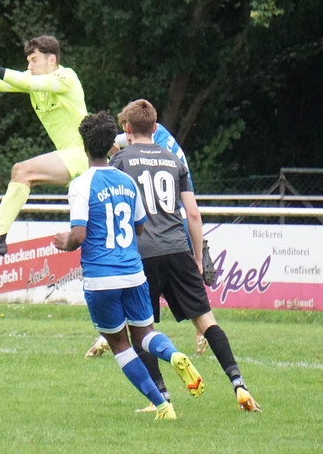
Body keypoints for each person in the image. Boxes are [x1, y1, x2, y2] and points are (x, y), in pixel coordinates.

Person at [110, 99, 260, 413]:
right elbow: (192, 213)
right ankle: (239, 384)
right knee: (206, 320)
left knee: (141, 329)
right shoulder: (173, 159)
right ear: (155, 128)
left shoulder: (120, 161)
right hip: (178, 248)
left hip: (142, 254)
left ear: (127, 129)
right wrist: (197, 257)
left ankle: (161, 398)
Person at [53, 111, 204, 421]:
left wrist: (64, 241)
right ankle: (174, 354)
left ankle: (162, 405)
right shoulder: (127, 181)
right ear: (112, 142)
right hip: (133, 272)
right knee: (145, 334)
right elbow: (139, 227)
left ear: (84, 145)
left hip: (102, 277)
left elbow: (78, 235)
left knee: (120, 345)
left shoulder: (81, 185)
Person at [0, 35, 88, 255]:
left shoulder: (66, 77)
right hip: (72, 159)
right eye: (28, 61)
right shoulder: (33, 80)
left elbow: (26, 82)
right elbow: (4, 84)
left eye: (34, 60)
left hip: (85, 155)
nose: (29, 66)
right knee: (22, 173)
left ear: (52, 60)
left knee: (22, 170)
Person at [87, 120, 207, 358]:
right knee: (185, 287)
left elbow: (114, 146)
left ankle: (117, 337)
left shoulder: (148, 145)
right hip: (177, 219)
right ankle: (203, 330)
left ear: (130, 127)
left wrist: (106, 150)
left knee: (139, 287)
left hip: (158, 223)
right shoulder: (161, 137)